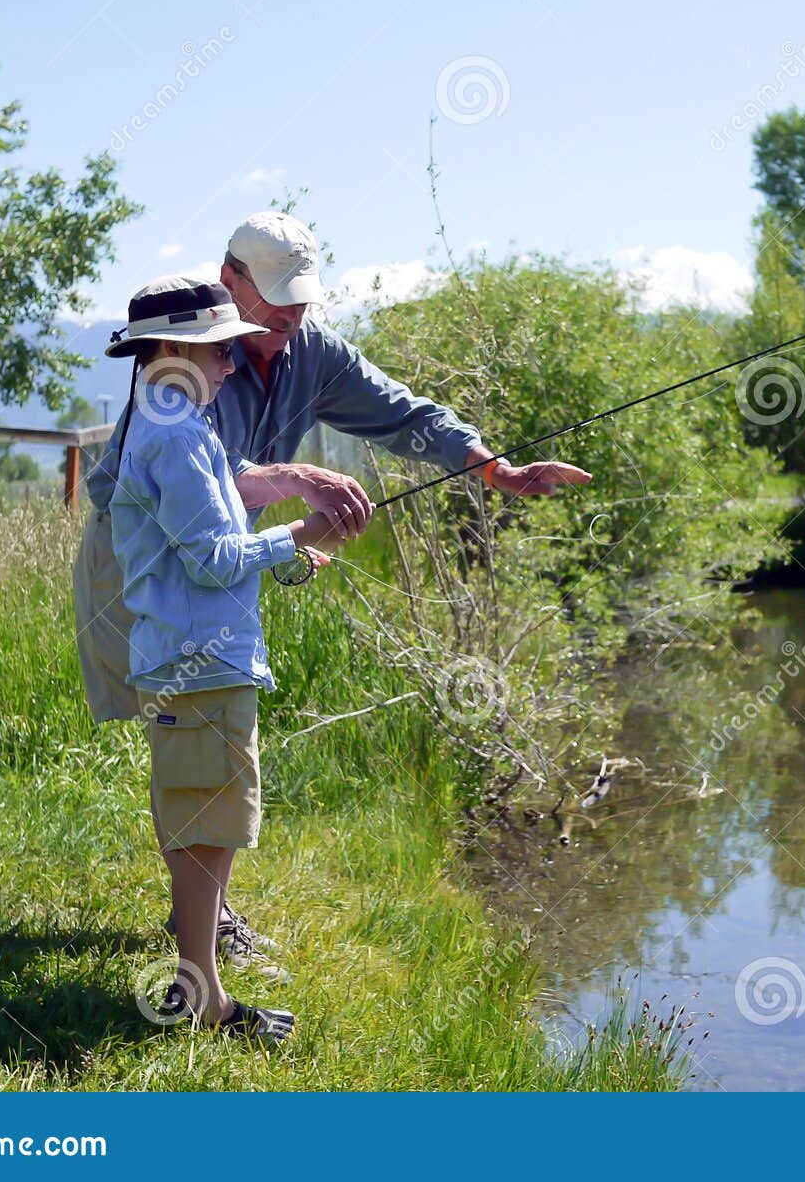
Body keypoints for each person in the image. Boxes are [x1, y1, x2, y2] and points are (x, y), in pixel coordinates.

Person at [73, 211, 590, 975]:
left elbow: (407, 414)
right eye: (275, 296)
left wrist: (497, 470)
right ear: (230, 282)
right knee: (183, 737)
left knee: (207, 740)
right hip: (140, 562)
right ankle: (208, 941)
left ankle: (204, 929)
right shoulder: (181, 366)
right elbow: (167, 482)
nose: (289, 315)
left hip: (222, 564)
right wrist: (284, 484)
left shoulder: (312, 352)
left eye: (301, 299)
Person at [107, 275, 349, 1042]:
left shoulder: (182, 421)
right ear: (174, 349)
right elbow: (213, 559)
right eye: (217, 350)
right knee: (202, 825)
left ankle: (202, 985)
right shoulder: (175, 431)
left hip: (204, 661)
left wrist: (281, 558)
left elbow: (212, 535)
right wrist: (303, 535)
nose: (231, 365)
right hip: (195, 663)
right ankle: (203, 996)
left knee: (212, 822)